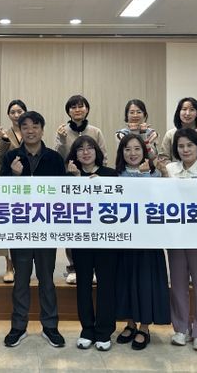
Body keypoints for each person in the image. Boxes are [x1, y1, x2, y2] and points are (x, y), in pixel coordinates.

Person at [0, 111, 67, 348]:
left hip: (46, 228)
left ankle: (50, 326)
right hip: (20, 228)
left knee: (47, 279)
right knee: (21, 280)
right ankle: (18, 327)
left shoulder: (54, 158)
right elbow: (0, 193)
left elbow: (62, 194)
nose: (30, 131)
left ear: (42, 129)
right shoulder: (10, 157)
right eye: (25, 126)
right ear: (20, 130)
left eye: (35, 126)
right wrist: (14, 176)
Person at [113, 134, 171, 350]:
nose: (132, 153)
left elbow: (163, 199)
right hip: (124, 239)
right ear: (121, 153)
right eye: (127, 149)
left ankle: (144, 327)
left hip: (149, 239)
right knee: (126, 280)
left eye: (137, 149)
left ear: (144, 152)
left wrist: (151, 174)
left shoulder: (155, 174)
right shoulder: (115, 176)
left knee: (146, 281)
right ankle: (130, 323)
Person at [165, 128, 197, 352]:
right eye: (181, 146)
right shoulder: (170, 169)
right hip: (176, 235)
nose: (185, 150)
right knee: (177, 283)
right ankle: (181, 328)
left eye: (190, 145)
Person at [65, 136, 118, 352]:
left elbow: (116, 206)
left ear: (97, 151)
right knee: (83, 285)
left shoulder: (110, 174)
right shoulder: (69, 176)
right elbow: (65, 207)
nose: (85, 152)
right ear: (74, 155)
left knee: (107, 285)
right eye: (80, 149)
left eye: (90, 148)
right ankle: (87, 329)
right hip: (81, 239)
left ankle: (104, 331)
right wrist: (77, 180)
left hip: (106, 239)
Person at [54, 94, 108, 285]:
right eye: (73, 107)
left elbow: (103, 156)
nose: (77, 110)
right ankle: (73, 267)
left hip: (93, 182)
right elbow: (58, 158)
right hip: (71, 183)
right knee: (73, 224)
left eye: (81, 106)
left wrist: (98, 175)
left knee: (93, 224)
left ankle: (93, 267)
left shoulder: (95, 131)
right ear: (68, 111)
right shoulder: (62, 131)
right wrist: (61, 141)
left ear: (87, 109)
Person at [0, 99, 27, 283]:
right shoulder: (3, 134)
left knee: (23, 223)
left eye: (19, 111)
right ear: (8, 115)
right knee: (8, 224)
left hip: (27, 184)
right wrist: (4, 140)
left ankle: (22, 265)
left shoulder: (31, 130)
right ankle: (9, 266)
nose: (16, 115)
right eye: (13, 112)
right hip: (7, 182)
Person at [159, 97, 197, 162]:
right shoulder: (170, 134)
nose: (187, 113)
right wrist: (174, 167)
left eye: (192, 109)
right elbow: (164, 158)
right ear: (179, 112)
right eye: (184, 109)